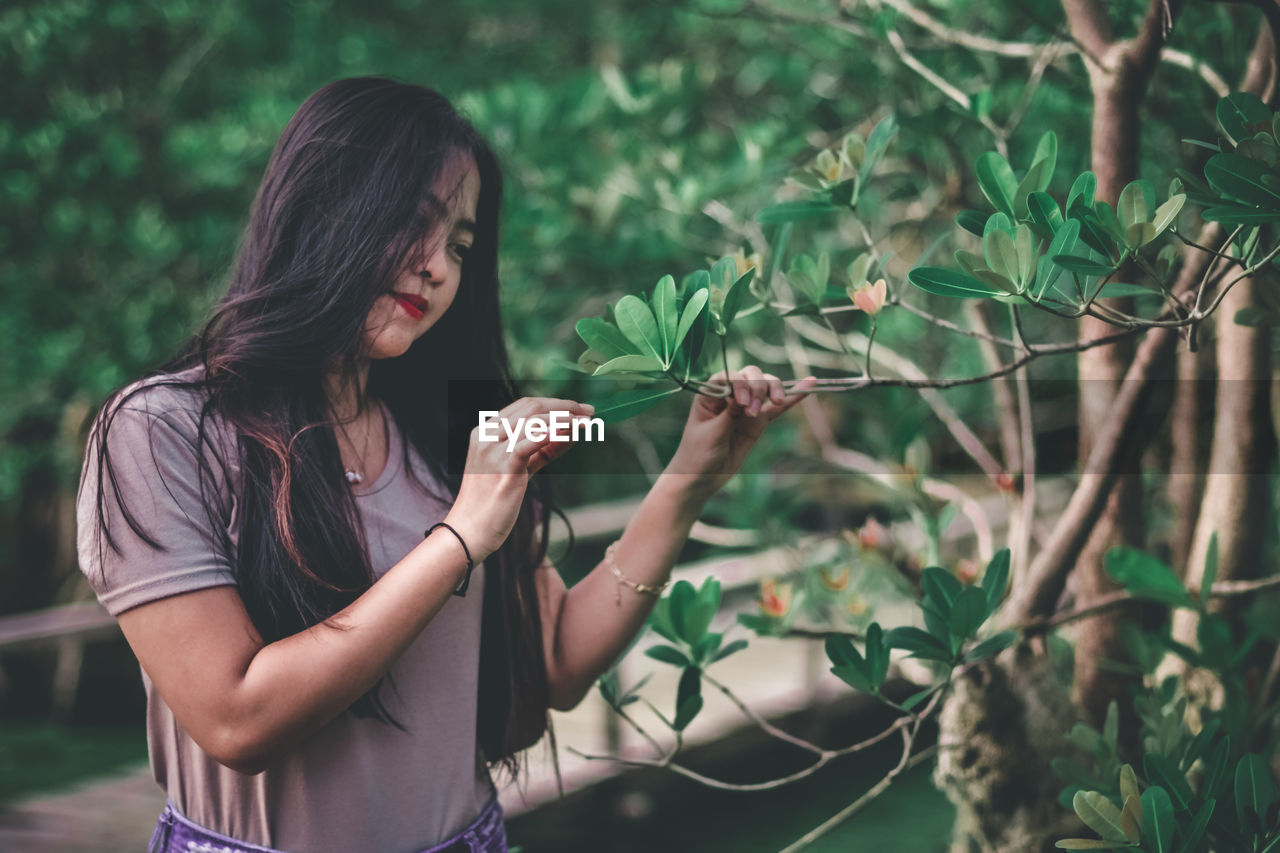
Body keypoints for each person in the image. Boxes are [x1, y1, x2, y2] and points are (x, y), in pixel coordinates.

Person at [76, 76, 811, 853]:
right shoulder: (164, 432)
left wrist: (692, 475)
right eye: (413, 225)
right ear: (322, 208)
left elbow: (556, 663)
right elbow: (236, 716)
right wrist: (460, 537)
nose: (438, 266)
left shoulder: (449, 427)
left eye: (459, 246)